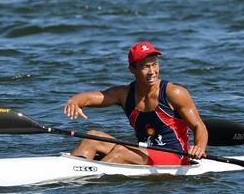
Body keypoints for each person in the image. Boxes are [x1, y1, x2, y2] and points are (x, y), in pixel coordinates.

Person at [62, 42, 208, 165]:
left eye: (154, 65)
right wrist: (74, 101)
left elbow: (198, 126)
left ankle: (91, 178)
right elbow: (90, 98)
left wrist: (199, 147)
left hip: (174, 155)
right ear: (132, 69)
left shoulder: (174, 93)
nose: (152, 71)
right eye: (145, 66)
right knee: (91, 138)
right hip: (143, 150)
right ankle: (70, 174)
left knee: (121, 152)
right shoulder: (124, 94)